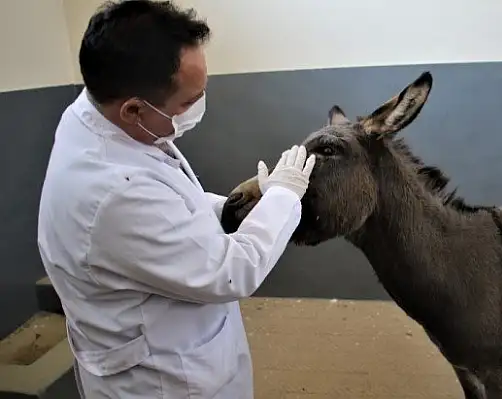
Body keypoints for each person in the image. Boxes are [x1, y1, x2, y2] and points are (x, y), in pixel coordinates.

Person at [36, 1, 315, 397]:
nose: (197, 106)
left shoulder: (93, 113)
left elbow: (165, 199)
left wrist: (229, 207)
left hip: (160, 337)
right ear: (133, 109)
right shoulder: (115, 193)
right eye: (187, 101)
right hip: (163, 379)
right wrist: (284, 196)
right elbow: (232, 272)